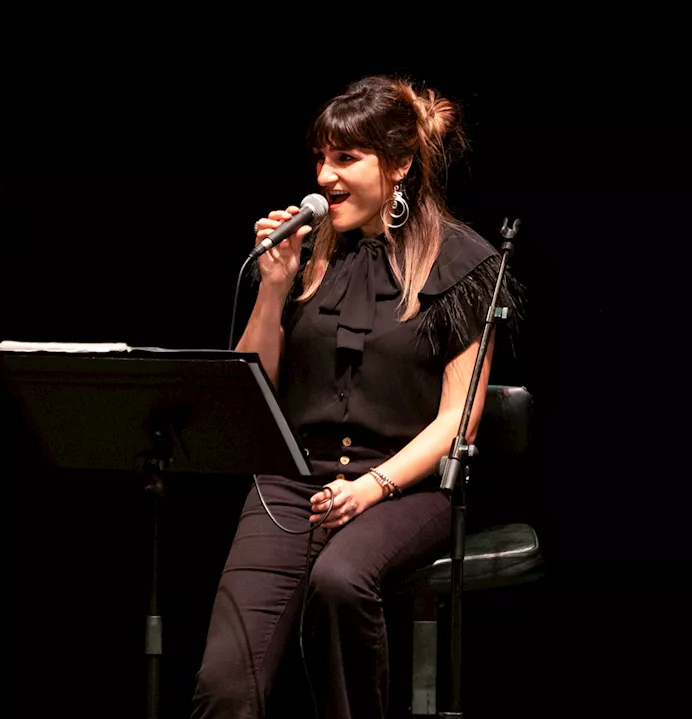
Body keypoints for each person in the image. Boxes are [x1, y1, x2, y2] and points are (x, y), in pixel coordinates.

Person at [190, 75, 520, 719]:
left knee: (339, 584)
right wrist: (273, 286)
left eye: (346, 158)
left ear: (399, 165)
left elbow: (460, 417)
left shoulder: (463, 262)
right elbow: (250, 388)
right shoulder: (308, 252)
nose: (325, 175)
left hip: (403, 484)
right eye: (320, 156)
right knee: (226, 683)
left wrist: (373, 488)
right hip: (290, 481)